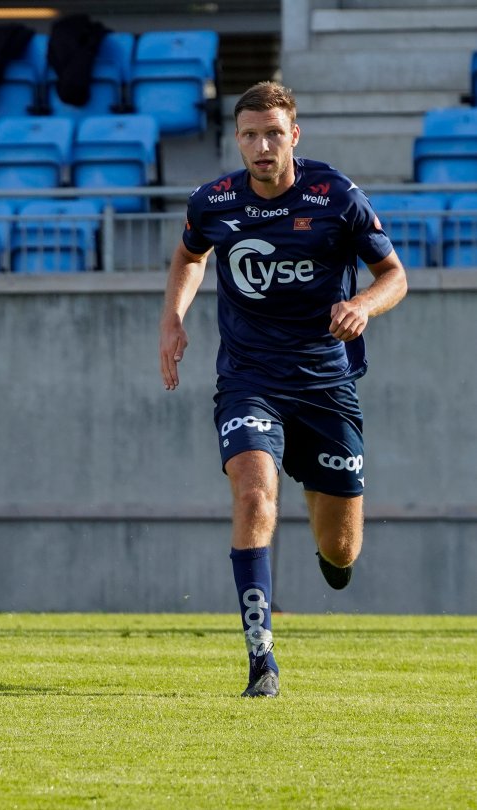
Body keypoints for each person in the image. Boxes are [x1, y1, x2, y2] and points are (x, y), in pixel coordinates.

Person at [158, 81, 408, 698]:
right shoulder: (214, 201)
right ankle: (261, 659)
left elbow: (394, 275)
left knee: (341, 550)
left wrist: (362, 306)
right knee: (253, 497)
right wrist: (173, 319)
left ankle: (331, 551)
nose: (262, 146)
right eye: (250, 135)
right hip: (250, 380)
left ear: (294, 135)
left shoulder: (336, 196)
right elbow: (190, 256)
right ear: (237, 140)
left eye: (273, 133)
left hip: (326, 384)